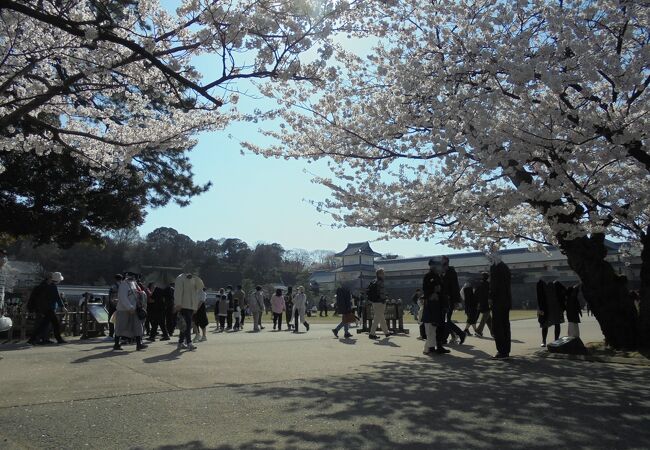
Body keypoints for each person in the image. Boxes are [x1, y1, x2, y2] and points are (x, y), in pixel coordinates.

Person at [28, 272, 67, 345]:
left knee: (44, 325)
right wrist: (62, 307)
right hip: (50, 309)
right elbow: (57, 298)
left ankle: (32, 339)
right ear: (57, 280)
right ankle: (59, 339)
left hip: (43, 308)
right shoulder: (52, 286)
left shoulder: (44, 285)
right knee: (54, 324)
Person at [113, 272, 147, 351]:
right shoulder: (123, 285)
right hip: (124, 309)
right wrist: (129, 307)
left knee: (138, 326)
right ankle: (116, 344)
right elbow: (123, 297)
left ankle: (139, 344)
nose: (133, 277)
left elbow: (138, 295)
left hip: (134, 309)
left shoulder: (134, 284)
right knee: (120, 327)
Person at [489, 252, 512, 359]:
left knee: (498, 326)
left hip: (498, 301)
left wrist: (490, 297)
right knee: (505, 326)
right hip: (506, 301)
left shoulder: (495, 268)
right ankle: (506, 351)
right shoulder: (505, 267)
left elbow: (494, 285)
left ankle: (501, 351)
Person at [422, 260, 447, 354]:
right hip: (431, 302)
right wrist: (432, 292)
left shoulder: (439, 276)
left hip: (439, 302)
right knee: (430, 326)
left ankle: (437, 346)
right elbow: (425, 288)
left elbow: (442, 289)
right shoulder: (428, 276)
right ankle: (430, 347)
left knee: (437, 326)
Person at [174, 272, 204, 351]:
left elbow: (201, 286)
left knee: (184, 325)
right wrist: (178, 303)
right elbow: (177, 291)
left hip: (191, 306)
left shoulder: (193, 278)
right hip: (183, 305)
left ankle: (180, 343)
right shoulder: (180, 278)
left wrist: (195, 276)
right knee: (187, 325)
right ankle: (189, 343)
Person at [439, 256, 465, 345]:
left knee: (446, 320)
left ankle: (446, 338)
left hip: (449, 299)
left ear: (447, 262)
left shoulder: (451, 271)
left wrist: (456, 301)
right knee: (444, 320)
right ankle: (455, 335)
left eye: (443, 262)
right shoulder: (440, 271)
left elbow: (455, 286)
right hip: (441, 299)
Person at [368, 268, 391, 340]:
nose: (384, 274)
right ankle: (371, 333)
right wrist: (385, 299)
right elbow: (382, 293)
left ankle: (386, 332)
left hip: (374, 302)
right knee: (378, 318)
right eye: (383, 273)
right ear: (379, 274)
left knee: (380, 317)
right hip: (380, 302)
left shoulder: (374, 281)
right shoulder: (380, 282)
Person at [475, 272, 492, 337]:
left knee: (488, 318)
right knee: (485, 318)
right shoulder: (488, 285)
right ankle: (478, 331)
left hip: (480, 303)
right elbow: (490, 294)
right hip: (486, 303)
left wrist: (477, 302)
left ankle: (493, 332)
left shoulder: (479, 284)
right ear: (487, 277)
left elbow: (475, 294)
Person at [106, 274, 122, 339]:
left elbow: (110, 297)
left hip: (113, 306)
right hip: (121, 306)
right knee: (120, 321)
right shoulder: (123, 286)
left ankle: (111, 334)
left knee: (111, 320)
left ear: (115, 279)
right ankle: (119, 334)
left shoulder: (113, 286)